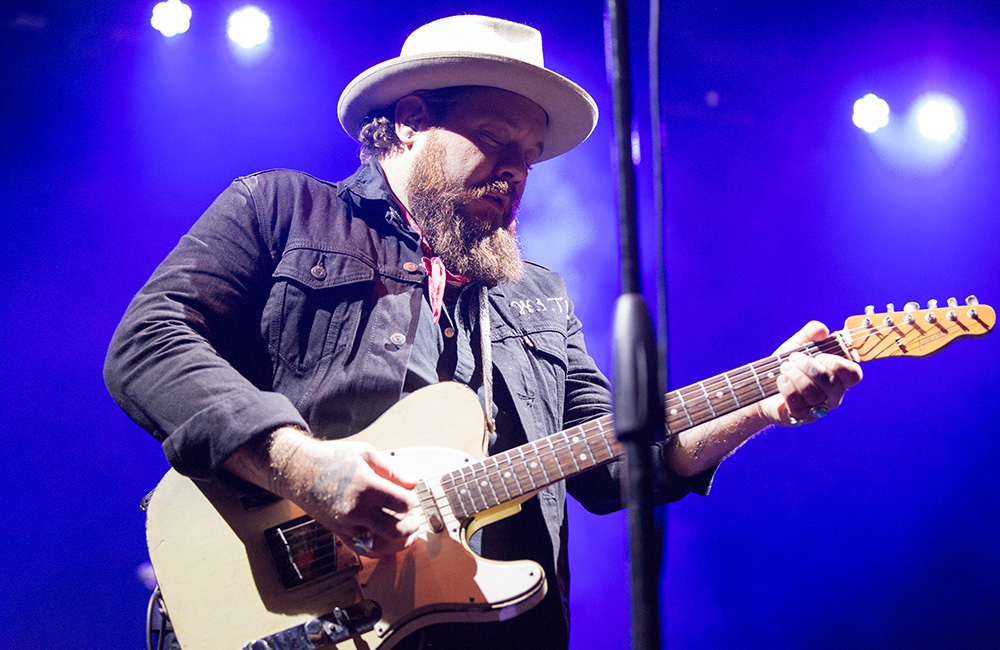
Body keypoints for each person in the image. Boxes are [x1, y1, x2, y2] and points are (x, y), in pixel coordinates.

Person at [105, 14, 862, 650]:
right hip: (292, 616)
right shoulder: (281, 210)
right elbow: (147, 345)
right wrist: (304, 468)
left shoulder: (539, 296)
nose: (515, 171)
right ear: (410, 124)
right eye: (494, 139)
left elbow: (617, 460)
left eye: (528, 157)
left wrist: (763, 402)